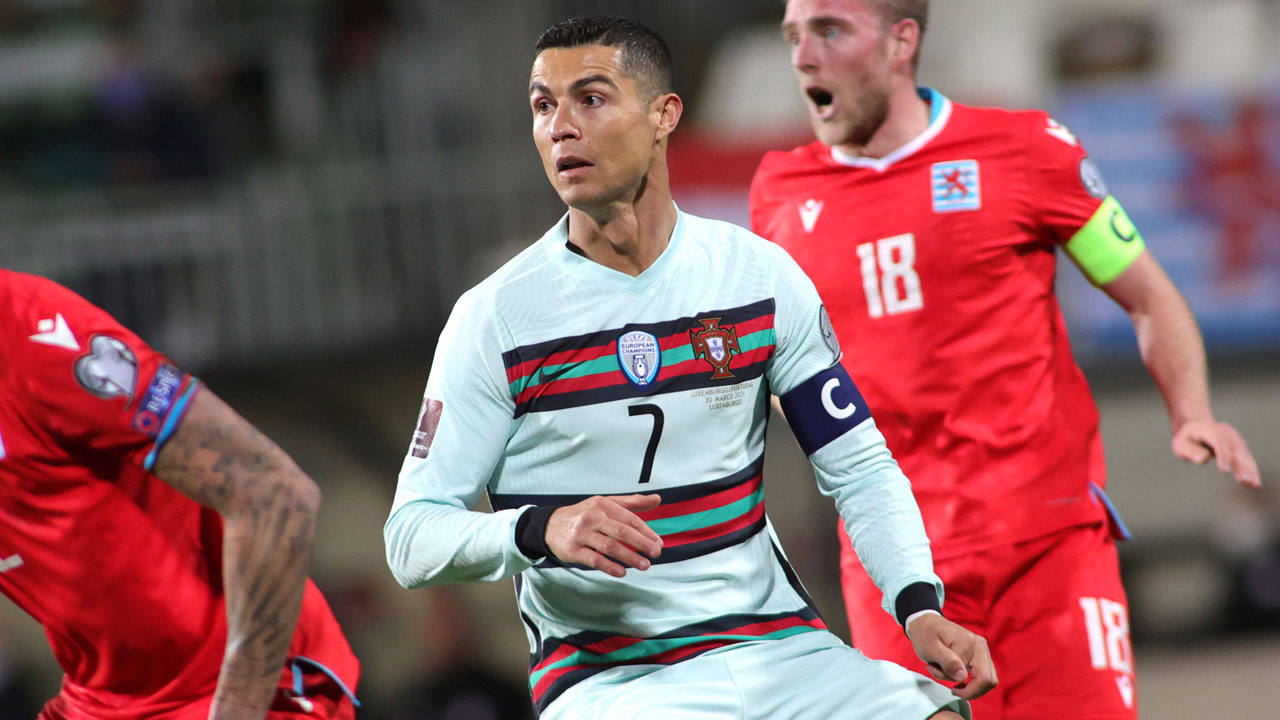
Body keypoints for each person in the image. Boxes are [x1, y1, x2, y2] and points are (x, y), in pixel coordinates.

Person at [384, 14, 995, 720]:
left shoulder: (757, 280)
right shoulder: (497, 319)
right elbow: (411, 537)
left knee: (938, 715)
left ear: (663, 116)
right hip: (613, 680)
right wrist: (539, 529)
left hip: (779, 651)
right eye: (542, 106)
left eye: (590, 98)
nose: (560, 127)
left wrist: (918, 605)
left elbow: (859, 466)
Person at [749, 1, 1262, 718]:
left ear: (902, 42)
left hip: (1048, 548)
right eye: (793, 36)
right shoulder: (778, 193)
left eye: (829, 31)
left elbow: (1149, 297)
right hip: (898, 569)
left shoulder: (1023, 149)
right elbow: (785, 375)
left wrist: (1191, 411)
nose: (803, 55)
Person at [0, 269, 361, 719]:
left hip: (241, 688)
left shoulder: (30, 334)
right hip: (105, 699)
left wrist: (237, 711)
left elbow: (273, 491)